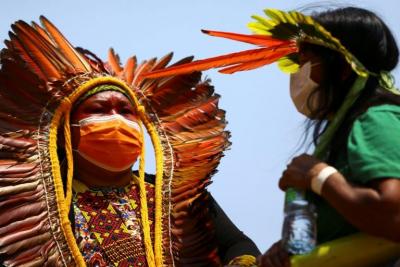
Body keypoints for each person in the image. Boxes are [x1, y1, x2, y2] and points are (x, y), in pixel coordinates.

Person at [143, 6, 400, 267]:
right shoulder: (345, 132)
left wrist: (319, 177)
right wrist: (289, 249)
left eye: (304, 63)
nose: (298, 74)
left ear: (343, 68)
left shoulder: (375, 120)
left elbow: (393, 217)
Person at [0, 17, 259, 266]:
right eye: (100, 110)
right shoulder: (39, 206)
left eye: (126, 111)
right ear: (64, 130)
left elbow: (238, 245)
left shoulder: (178, 198)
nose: (116, 120)